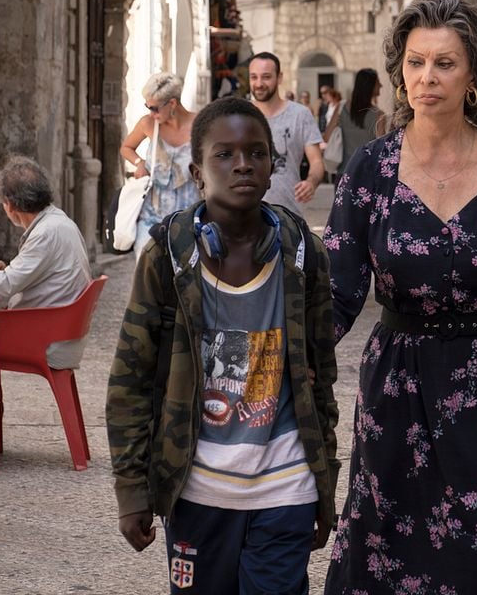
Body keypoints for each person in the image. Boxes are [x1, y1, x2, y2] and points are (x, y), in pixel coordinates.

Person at [323, 0, 477, 593]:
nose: (428, 77)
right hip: (398, 391)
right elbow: (338, 294)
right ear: (400, 72)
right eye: (415, 62)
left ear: (473, 74)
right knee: (389, 547)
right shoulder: (369, 171)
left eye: (445, 63)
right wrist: (272, 355)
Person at [106, 96, 339, 594]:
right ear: (197, 171)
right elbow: (131, 377)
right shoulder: (167, 255)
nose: (242, 166)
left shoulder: (303, 255)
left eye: (256, 154)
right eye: (225, 155)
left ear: (274, 164)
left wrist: (324, 486)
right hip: (196, 492)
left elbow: (322, 379)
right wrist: (132, 489)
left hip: (285, 485)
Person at [0, 156, 92, 369]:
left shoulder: (46, 232)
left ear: (11, 204)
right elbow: (24, 275)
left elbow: (7, 285)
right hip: (60, 334)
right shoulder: (57, 221)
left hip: (49, 341)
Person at [119, 73, 200, 255]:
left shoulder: (200, 124)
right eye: (148, 107)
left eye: (155, 108)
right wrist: (139, 163)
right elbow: (126, 147)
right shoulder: (148, 124)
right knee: (146, 273)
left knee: (184, 276)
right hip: (151, 217)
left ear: (172, 104)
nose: (151, 113)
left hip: (189, 218)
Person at [248, 52, 325, 215]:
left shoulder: (300, 114)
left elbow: (317, 161)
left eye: (266, 77)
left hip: (288, 215)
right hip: (245, 215)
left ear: (280, 77)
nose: (259, 83)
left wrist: (311, 182)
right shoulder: (240, 115)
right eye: (254, 77)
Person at [336, 68, 386, 168]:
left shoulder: (341, 107)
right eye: (377, 82)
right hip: (366, 171)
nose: (381, 85)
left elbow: (327, 136)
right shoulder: (379, 115)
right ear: (369, 86)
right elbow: (381, 148)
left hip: (345, 170)